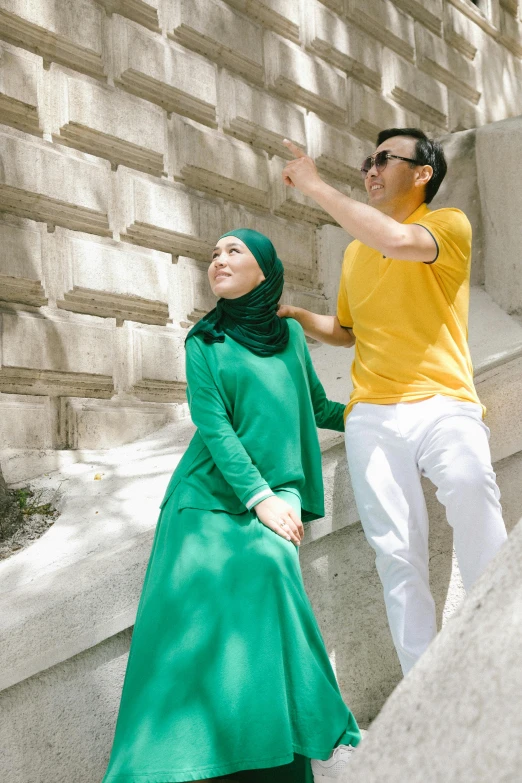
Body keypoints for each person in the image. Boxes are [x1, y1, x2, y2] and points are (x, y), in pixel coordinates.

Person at [101, 228, 361, 783]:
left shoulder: (289, 335)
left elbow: (315, 404)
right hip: (206, 496)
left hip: (274, 489)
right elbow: (214, 428)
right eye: (213, 253)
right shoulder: (205, 342)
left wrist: (383, 415)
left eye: (232, 251)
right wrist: (258, 498)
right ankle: (186, 763)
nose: (217, 259)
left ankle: (275, 759)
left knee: (269, 571)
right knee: (193, 623)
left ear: (264, 271)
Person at [278, 129, 508, 675]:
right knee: (397, 555)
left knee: (475, 497)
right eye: (367, 161)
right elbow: (348, 329)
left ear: (423, 173)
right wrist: (295, 315)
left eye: (385, 160)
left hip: (443, 402)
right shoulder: (357, 252)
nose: (371, 169)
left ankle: (504, 661)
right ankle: (424, 693)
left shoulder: (446, 225)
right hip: (374, 417)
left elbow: (398, 243)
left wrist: (314, 186)